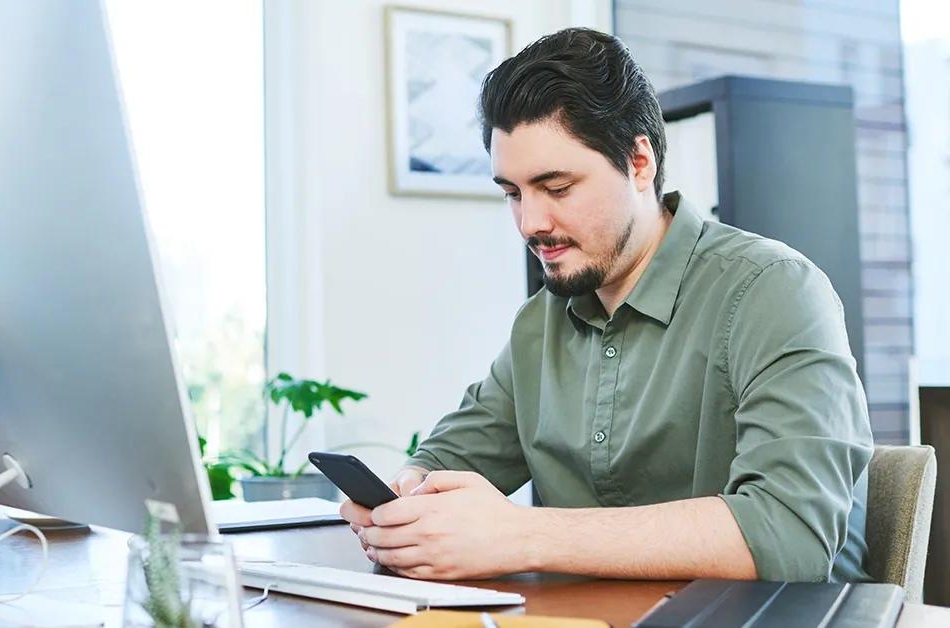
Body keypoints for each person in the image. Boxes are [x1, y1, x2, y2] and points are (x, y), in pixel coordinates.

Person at [341, 27, 872, 583]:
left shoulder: (774, 291)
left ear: (639, 163)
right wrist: (404, 498)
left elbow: (789, 536)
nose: (531, 223)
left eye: (557, 186)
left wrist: (521, 536)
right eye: (513, 193)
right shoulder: (540, 322)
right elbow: (447, 459)